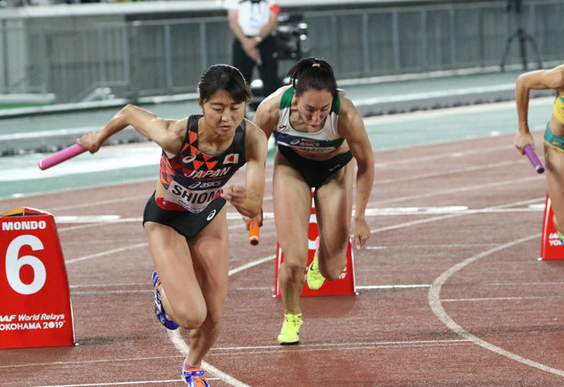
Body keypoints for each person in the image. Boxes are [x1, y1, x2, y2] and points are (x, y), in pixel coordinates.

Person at [76, 64, 267, 387]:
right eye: (217, 109)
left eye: (236, 109)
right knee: (192, 316)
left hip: (209, 216)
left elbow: (255, 208)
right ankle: (162, 287)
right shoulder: (175, 135)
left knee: (214, 316)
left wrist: (241, 202)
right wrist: (99, 138)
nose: (227, 119)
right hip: (167, 220)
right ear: (200, 103)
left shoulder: (252, 139)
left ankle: (192, 367)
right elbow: (129, 113)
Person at [251, 57, 374, 345]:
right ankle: (292, 316)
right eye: (309, 110)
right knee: (293, 261)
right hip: (292, 168)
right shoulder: (272, 107)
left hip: (336, 171)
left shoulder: (347, 115)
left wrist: (360, 215)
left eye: (324, 110)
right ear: (295, 97)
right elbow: (254, 156)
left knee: (332, 271)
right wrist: (253, 200)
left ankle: (320, 261)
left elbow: (366, 164)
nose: (317, 118)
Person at [514, 63, 564, 245]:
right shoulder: (562, 77)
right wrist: (523, 131)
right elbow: (524, 81)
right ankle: (561, 230)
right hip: (560, 148)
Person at [225, 0, 281, 98]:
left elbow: (273, 19)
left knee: (271, 82)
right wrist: (246, 42)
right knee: (239, 83)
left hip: (266, 40)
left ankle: (272, 111)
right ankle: (239, 112)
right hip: (242, 41)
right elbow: (233, 20)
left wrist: (256, 40)